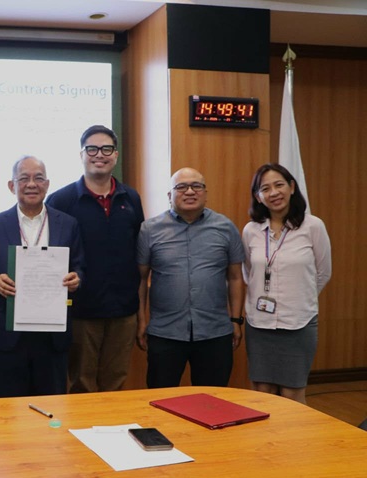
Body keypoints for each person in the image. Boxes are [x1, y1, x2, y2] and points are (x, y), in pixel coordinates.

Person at [46, 125, 144, 392]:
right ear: (82, 155)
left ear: (116, 155)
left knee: (116, 381)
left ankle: (113, 434)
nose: (99, 155)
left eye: (106, 149)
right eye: (92, 149)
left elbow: (137, 251)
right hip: (80, 311)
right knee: (81, 383)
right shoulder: (61, 200)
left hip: (123, 310)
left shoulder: (130, 198)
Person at [0, 156, 83, 396]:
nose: (31, 184)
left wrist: (77, 279)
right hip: (8, 332)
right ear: (12, 185)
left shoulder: (68, 224)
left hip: (52, 333)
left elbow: (79, 266)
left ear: (47, 184)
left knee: (52, 406)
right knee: (8, 409)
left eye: (38, 178)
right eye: (24, 178)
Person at [136, 167, 245, 388]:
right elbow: (140, 280)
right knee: (161, 399)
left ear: (205, 193)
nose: (189, 191)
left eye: (196, 186)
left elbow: (235, 277)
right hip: (165, 332)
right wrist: (141, 321)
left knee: (212, 402)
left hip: (215, 332)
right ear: (169, 195)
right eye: (181, 187)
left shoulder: (226, 228)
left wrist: (235, 320)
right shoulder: (149, 230)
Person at [242, 163, 331, 404]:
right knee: (262, 392)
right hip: (259, 325)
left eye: (279, 185)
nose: (273, 192)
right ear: (258, 197)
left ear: (292, 187)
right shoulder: (251, 230)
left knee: (293, 393)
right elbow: (249, 273)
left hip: (298, 323)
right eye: (265, 188)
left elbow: (323, 273)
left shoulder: (313, 226)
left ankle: (295, 443)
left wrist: (298, 299)